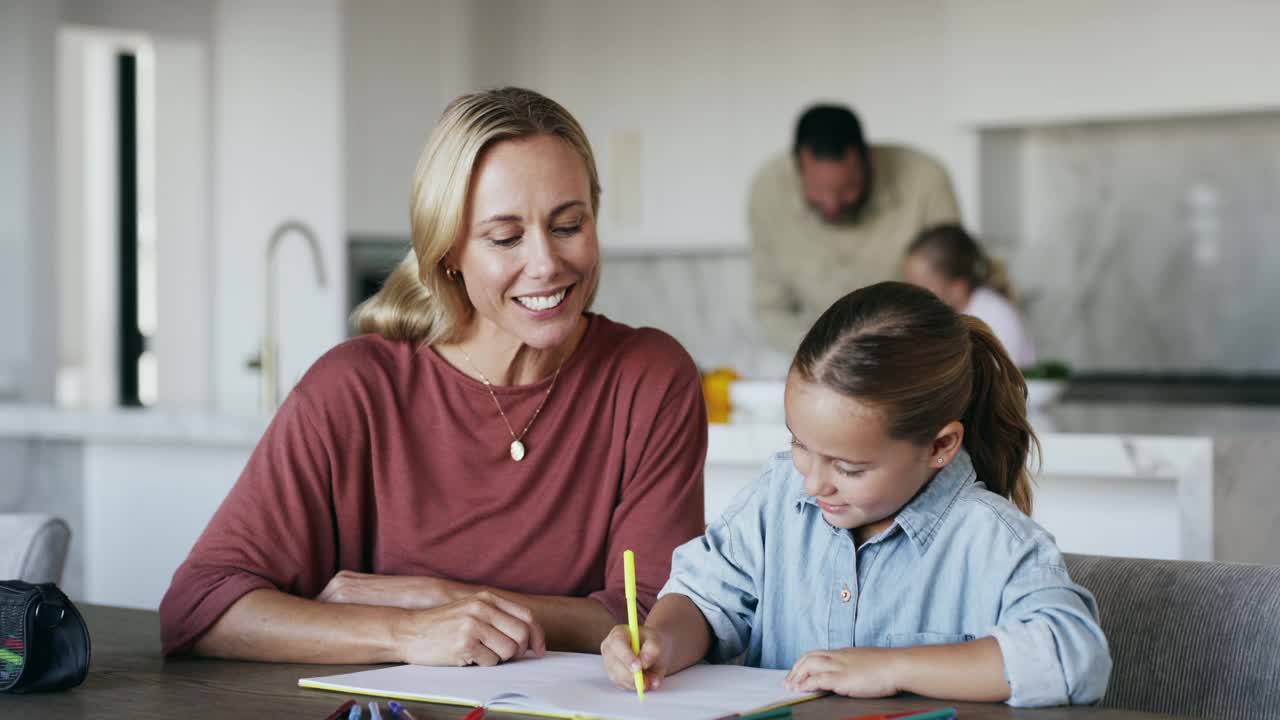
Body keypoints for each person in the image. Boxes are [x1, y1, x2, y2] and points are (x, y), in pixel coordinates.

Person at [159, 87, 708, 666]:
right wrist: (405, 631)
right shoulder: (354, 389)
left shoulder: (649, 376)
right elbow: (201, 607)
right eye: (505, 238)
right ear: (448, 248)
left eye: (569, 225)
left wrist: (443, 600)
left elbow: (649, 613)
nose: (546, 263)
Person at [600, 282, 1111, 707]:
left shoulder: (988, 538)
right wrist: (660, 640)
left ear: (940, 445)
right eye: (799, 444)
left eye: (849, 467)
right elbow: (704, 598)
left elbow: (1074, 655)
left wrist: (893, 667)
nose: (814, 482)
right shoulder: (778, 497)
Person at [750, 104, 960, 353]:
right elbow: (772, 307)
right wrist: (825, 356)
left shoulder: (926, 181)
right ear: (797, 168)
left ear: (868, 160)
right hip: (819, 361)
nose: (832, 205)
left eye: (847, 190)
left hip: (910, 355)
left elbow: (952, 292)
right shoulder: (768, 190)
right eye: (817, 193)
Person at [903, 223, 1037, 367]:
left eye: (920, 288)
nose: (909, 296)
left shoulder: (994, 320)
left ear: (958, 288)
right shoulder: (938, 321)